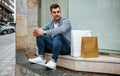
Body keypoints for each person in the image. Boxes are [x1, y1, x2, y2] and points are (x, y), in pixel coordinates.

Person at [28, 3, 71, 70]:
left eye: (58, 12)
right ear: (51, 13)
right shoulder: (51, 23)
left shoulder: (65, 21)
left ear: (60, 12)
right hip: (55, 46)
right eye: (54, 12)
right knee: (40, 35)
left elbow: (61, 30)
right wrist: (37, 31)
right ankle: (41, 58)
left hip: (65, 48)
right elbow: (43, 29)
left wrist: (44, 32)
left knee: (58, 35)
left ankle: (53, 61)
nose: (56, 14)